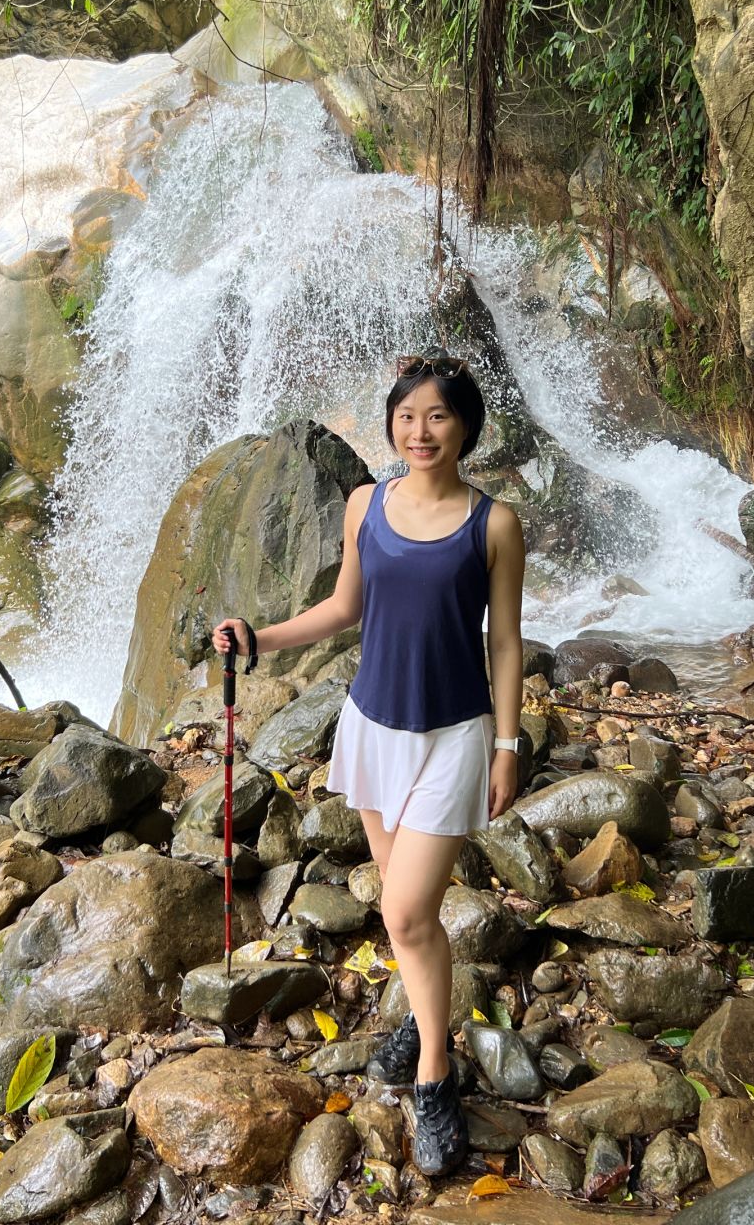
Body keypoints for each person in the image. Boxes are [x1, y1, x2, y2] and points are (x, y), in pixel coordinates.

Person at [212, 348, 526, 1177]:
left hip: (455, 736)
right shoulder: (365, 504)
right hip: (374, 726)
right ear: (392, 423)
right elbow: (344, 607)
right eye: (407, 416)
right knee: (400, 911)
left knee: (410, 913)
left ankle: (434, 1075)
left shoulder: (493, 523)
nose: (420, 432)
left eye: (438, 417)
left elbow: (506, 641)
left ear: (464, 429)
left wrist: (507, 742)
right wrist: (260, 637)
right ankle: (425, 1023)